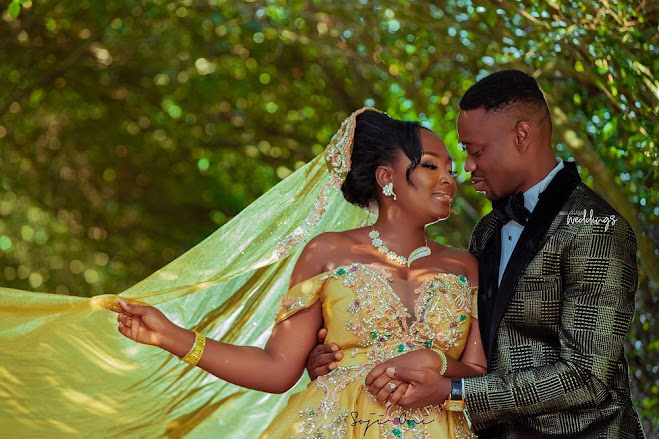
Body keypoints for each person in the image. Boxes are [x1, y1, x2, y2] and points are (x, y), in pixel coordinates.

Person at [309, 70, 645, 438]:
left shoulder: (597, 228)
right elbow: (462, 350)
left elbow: (587, 377)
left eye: (476, 151)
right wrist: (350, 362)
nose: (467, 167)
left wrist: (455, 392)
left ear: (521, 136)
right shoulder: (487, 231)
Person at [113, 109, 488, 438]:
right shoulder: (327, 252)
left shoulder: (466, 266)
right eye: (431, 165)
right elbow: (277, 369)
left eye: (451, 170)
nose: (449, 179)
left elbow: (481, 372)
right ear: (385, 176)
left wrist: (436, 363)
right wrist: (171, 336)